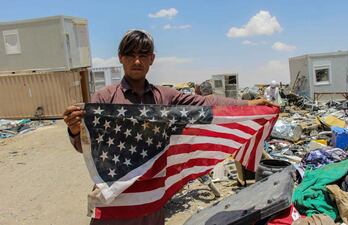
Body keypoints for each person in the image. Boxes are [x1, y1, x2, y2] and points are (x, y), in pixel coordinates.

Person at [63, 29, 277, 225]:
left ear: (152, 59)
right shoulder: (104, 99)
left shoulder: (164, 96)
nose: (136, 61)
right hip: (115, 202)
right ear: (121, 58)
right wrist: (74, 129)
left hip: (152, 199)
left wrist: (247, 104)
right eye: (130, 55)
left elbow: (206, 103)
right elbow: (85, 146)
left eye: (143, 55)